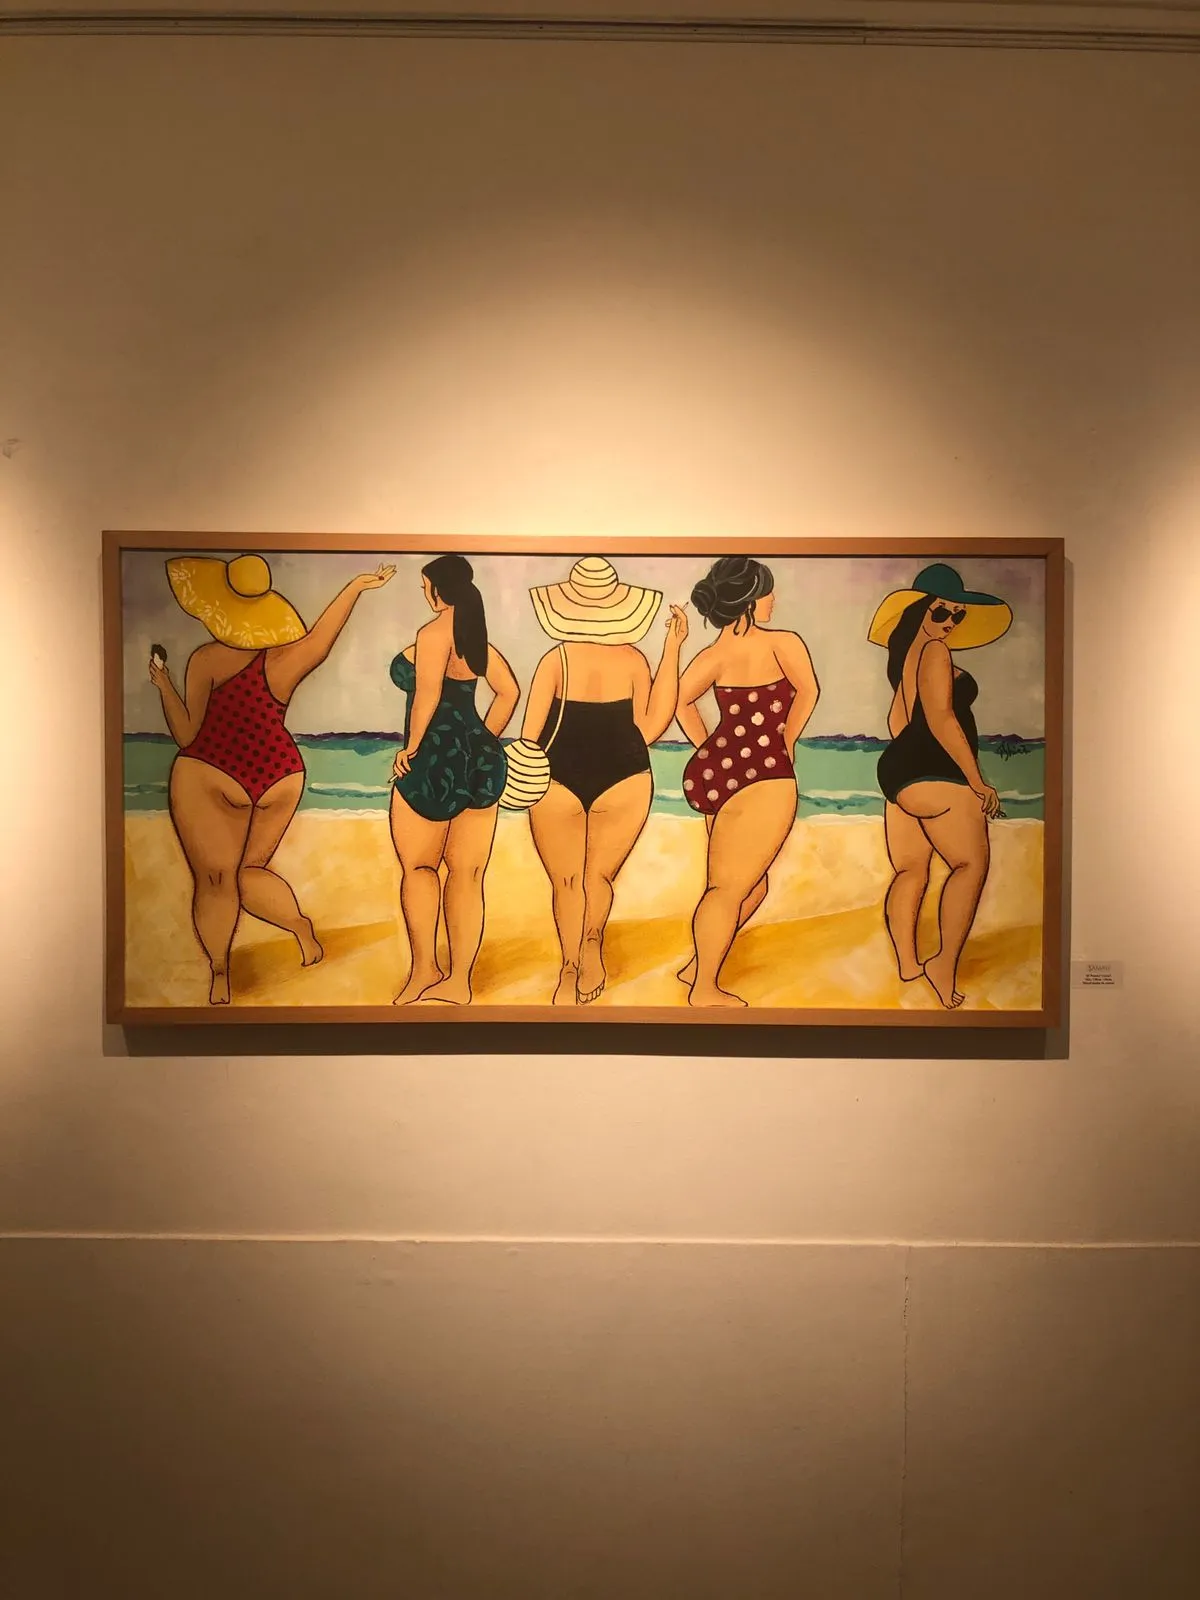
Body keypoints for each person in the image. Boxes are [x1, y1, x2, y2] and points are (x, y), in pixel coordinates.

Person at [152, 553, 396, 1004]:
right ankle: (301, 929)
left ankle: (220, 973)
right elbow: (322, 638)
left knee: (217, 879)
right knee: (249, 871)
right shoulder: (285, 659)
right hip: (278, 773)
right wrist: (356, 587)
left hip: (214, 768)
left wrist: (164, 685)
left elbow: (187, 735)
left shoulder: (206, 659)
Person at [522, 556, 688, 1005]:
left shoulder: (554, 660)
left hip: (556, 776)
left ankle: (568, 967)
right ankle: (591, 945)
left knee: (566, 882)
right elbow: (650, 727)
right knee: (598, 877)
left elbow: (530, 738)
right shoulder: (633, 659)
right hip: (626, 774)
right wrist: (673, 648)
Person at [676, 556, 820, 1007]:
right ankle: (704, 988)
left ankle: (699, 964)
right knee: (729, 887)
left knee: (747, 885)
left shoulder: (712, 656)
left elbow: (679, 703)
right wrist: (788, 739)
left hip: (717, 770)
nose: (774, 599)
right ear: (750, 601)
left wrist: (707, 747)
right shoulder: (782, 644)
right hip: (765, 770)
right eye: (768, 591)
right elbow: (809, 691)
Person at [869, 563, 1013, 1009]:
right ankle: (943, 964)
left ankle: (908, 963)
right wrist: (978, 781)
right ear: (920, 610)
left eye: (958, 614)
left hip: (898, 770)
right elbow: (943, 718)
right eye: (941, 612)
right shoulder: (934, 652)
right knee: (970, 866)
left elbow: (897, 721)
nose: (950, 622)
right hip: (937, 770)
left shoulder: (905, 659)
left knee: (911, 871)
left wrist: (909, 758)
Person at [390, 554, 519, 1005]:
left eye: (426, 585)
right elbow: (509, 692)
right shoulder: (475, 636)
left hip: (432, 756)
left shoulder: (432, 634)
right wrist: (484, 738)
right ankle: (460, 981)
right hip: (477, 758)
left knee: (418, 869)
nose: (424, 592)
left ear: (438, 589)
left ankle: (424, 970)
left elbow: (427, 694)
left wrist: (410, 748)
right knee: (467, 875)